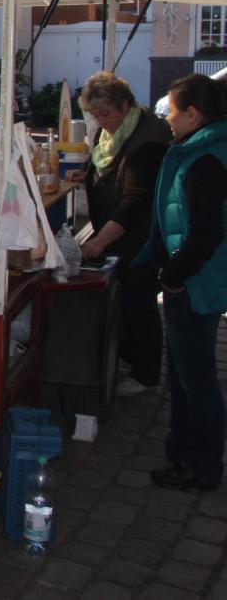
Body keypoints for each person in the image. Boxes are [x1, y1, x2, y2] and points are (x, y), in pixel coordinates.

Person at [135, 73, 227, 493]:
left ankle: (200, 465)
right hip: (193, 279)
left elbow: (205, 233)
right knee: (190, 375)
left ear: (193, 114)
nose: (166, 119)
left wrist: (172, 277)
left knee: (195, 380)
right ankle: (188, 455)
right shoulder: (199, 150)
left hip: (193, 283)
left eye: (171, 111)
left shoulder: (204, 159)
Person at [72, 71, 171, 397]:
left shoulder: (147, 141)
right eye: (95, 115)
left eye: (106, 114)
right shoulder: (116, 131)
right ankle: (129, 358)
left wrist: (100, 241)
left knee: (140, 304)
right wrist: (85, 173)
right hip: (120, 237)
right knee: (127, 301)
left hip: (137, 241)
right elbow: (105, 162)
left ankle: (146, 374)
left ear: (125, 105)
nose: (101, 122)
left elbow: (134, 201)